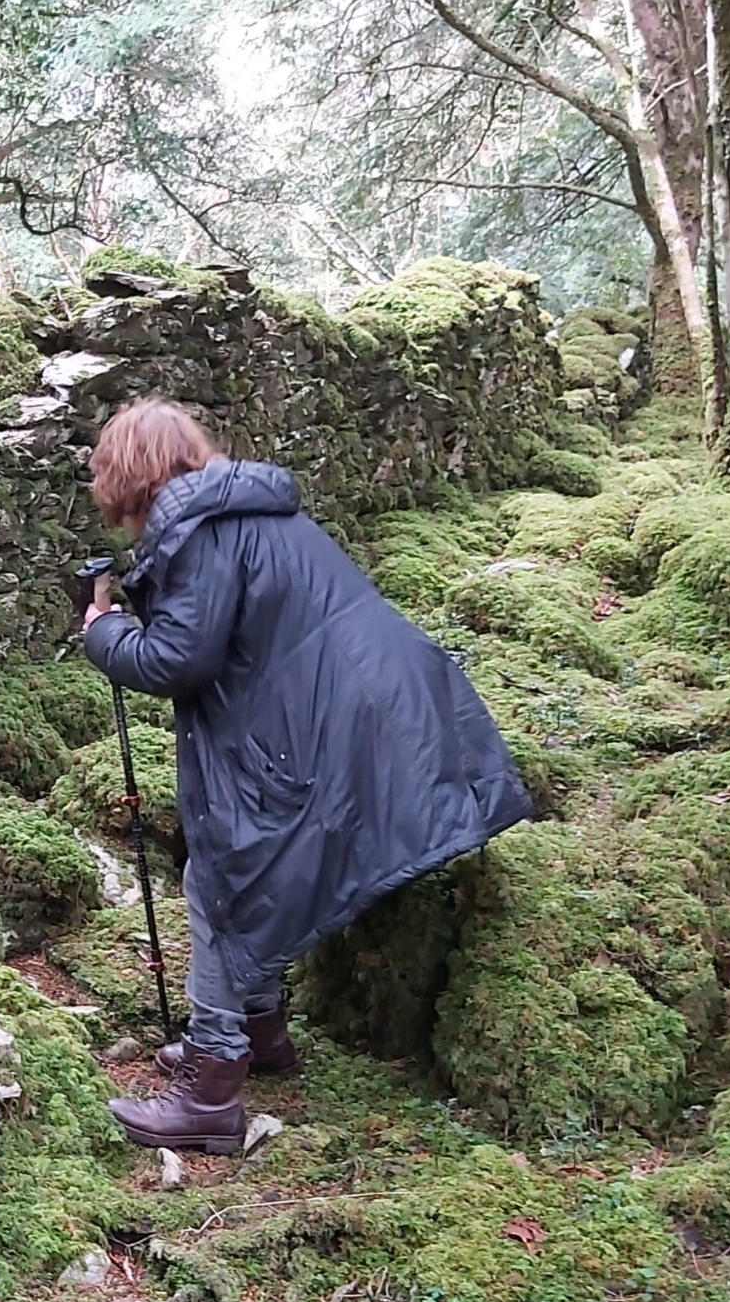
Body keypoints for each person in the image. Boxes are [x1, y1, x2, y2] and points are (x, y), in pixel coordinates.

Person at [80, 396, 531, 1154]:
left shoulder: (200, 532)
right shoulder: (249, 511)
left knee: (225, 879)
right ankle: (260, 1034)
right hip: (372, 709)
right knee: (260, 869)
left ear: (132, 479)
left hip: (324, 723)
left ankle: (211, 1090)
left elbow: (176, 660)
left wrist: (104, 632)